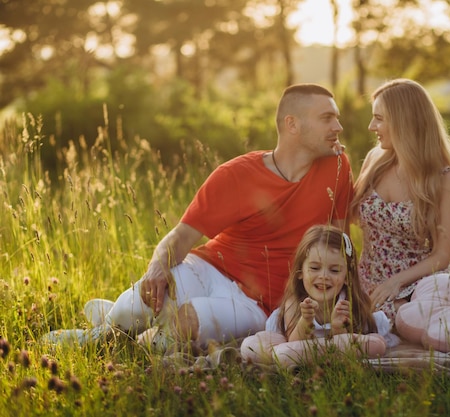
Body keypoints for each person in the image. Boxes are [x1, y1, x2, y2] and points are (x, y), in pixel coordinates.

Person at [43, 83, 354, 353]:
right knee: (143, 300)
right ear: (292, 124)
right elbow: (181, 237)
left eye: (337, 118)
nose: (338, 127)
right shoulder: (236, 175)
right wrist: (156, 269)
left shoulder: (337, 168)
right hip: (208, 268)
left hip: (256, 304)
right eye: (328, 118)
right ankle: (103, 332)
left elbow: (339, 245)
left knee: (184, 324)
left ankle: (145, 334)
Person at [351, 78, 450, 323]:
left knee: (408, 319)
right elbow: (349, 214)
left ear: (403, 121)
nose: (370, 126)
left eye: (379, 118)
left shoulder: (445, 178)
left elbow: (442, 255)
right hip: (367, 279)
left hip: (418, 283)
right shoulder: (374, 160)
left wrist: (396, 283)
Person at [240, 225, 393, 367]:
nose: (324, 276)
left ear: (347, 277)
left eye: (334, 270)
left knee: (376, 344)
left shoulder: (349, 303)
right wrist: (305, 321)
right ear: (300, 272)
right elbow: (294, 341)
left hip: (325, 347)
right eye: (314, 268)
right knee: (250, 345)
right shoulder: (294, 303)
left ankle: (295, 357)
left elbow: (346, 341)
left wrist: (338, 328)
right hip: (297, 344)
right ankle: (297, 356)